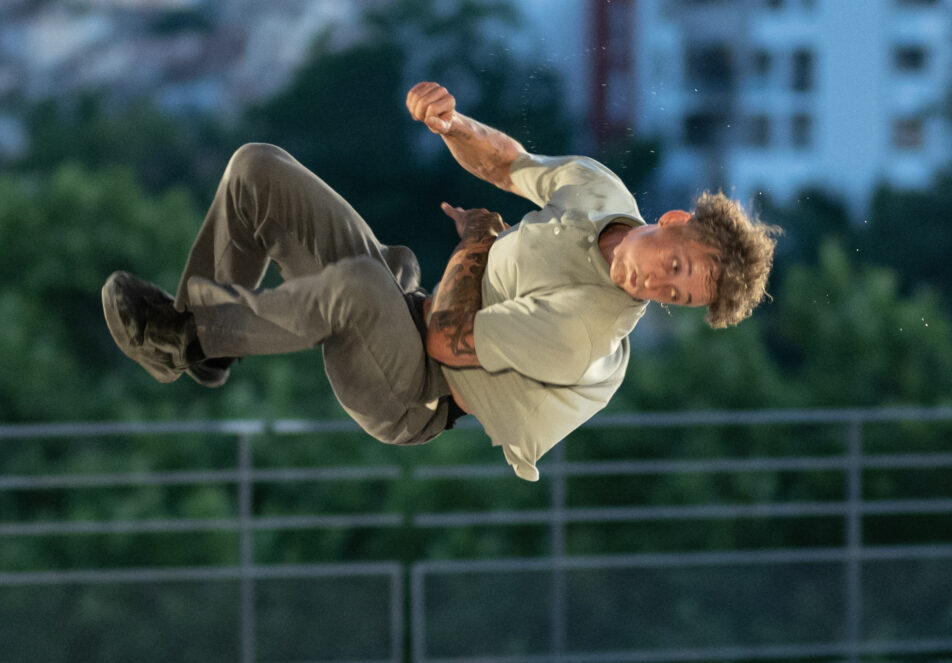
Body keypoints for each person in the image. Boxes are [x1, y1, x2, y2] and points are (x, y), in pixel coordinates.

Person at [102, 81, 782, 481]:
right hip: (407, 308)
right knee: (258, 169)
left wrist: (478, 242)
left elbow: (445, 341)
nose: (659, 287)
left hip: (413, 392)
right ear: (672, 221)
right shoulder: (602, 192)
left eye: (676, 297)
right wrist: (452, 124)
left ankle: (185, 338)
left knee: (361, 288)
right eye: (676, 267)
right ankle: (206, 342)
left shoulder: (588, 329)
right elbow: (509, 163)